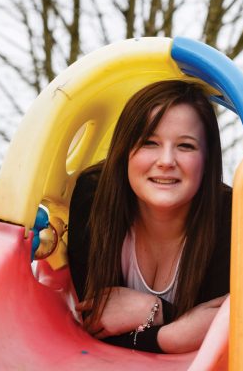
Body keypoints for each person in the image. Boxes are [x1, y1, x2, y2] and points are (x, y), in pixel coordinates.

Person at [67, 80, 232, 354]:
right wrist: (179, 332)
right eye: (150, 142)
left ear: (207, 159)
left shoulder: (231, 218)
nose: (167, 160)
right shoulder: (93, 198)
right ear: (125, 151)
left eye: (186, 146)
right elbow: (94, 327)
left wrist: (156, 317)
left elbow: (232, 334)